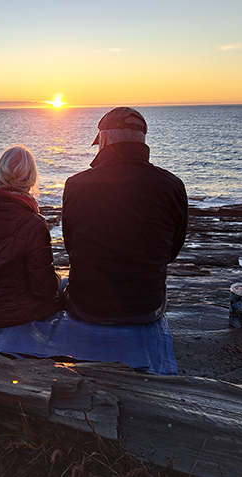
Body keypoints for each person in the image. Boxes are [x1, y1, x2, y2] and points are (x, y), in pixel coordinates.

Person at [61, 107, 188, 325]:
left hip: (87, 307)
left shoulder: (76, 185)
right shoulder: (173, 186)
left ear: (105, 138)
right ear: (142, 141)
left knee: (61, 284)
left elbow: (70, 246)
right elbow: (172, 251)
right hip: (147, 309)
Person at [0, 145, 62, 327]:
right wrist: (59, 280)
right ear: (31, 178)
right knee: (64, 287)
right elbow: (43, 289)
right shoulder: (33, 223)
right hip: (19, 312)